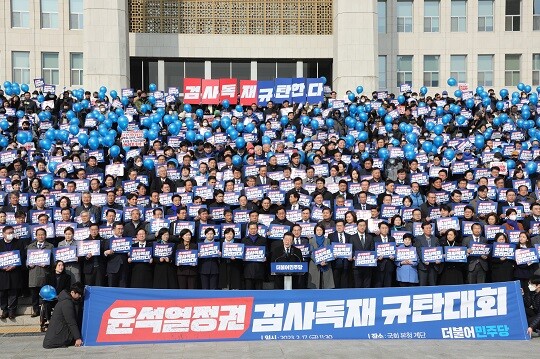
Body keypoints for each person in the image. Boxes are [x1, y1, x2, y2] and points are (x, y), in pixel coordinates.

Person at [43, 282, 84, 349]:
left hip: (56, 334)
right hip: (54, 339)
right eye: (79, 294)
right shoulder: (67, 303)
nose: (80, 296)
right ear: (72, 292)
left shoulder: (68, 300)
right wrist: (78, 338)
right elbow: (71, 322)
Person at [0, 226, 26, 319]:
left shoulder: (19, 242)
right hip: (2, 273)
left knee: (13, 292)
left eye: (12, 232)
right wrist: (2, 267)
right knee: (2, 293)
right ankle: (4, 310)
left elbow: (22, 256)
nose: (10, 234)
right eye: (8, 233)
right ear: (3, 234)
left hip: (15, 271)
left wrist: (14, 265)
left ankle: (12, 311)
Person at [27, 228, 54, 317]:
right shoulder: (30, 246)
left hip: (44, 273)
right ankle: (36, 310)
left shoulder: (50, 246)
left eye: (42, 234)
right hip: (33, 273)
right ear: (36, 236)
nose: (41, 236)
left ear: (45, 236)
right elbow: (27, 260)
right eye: (39, 234)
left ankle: (45, 311)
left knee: (45, 294)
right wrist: (28, 265)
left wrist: (47, 265)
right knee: (34, 294)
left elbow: (54, 261)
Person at [41, 260, 71, 331]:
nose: (61, 267)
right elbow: (45, 287)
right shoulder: (48, 276)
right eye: (59, 265)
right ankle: (49, 320)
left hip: (60, 298)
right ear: (55, 267)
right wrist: (51, 296)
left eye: (62, 265)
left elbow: (67, 289)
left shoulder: (67, 277)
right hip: (50, 298)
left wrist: (59, 296)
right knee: (46, 304)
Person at [241, 222, 267, 290]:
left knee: (259, 293)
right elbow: (241, 253)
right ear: (248, 229)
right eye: (251, 229)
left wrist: (265, 257)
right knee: (248, 293)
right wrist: (242, 257)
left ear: (257, 229)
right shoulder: (244, 240)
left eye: (254, 228)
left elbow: (267, 252)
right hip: (248, 270)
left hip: (259, 269)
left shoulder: (263, 239)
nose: (253, 230)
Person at [307, 224, 334, 289]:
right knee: (315, 285)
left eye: (320, 230)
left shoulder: (327, 240)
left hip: (326, 263)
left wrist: (325, 261)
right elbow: (311, 253)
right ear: (315, 231)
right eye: (317, 230)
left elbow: (329, 252)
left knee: (326, 285)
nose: (319, 231)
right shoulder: (311, 240)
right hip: (314, 264)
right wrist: (318, 261)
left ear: (323, 231)